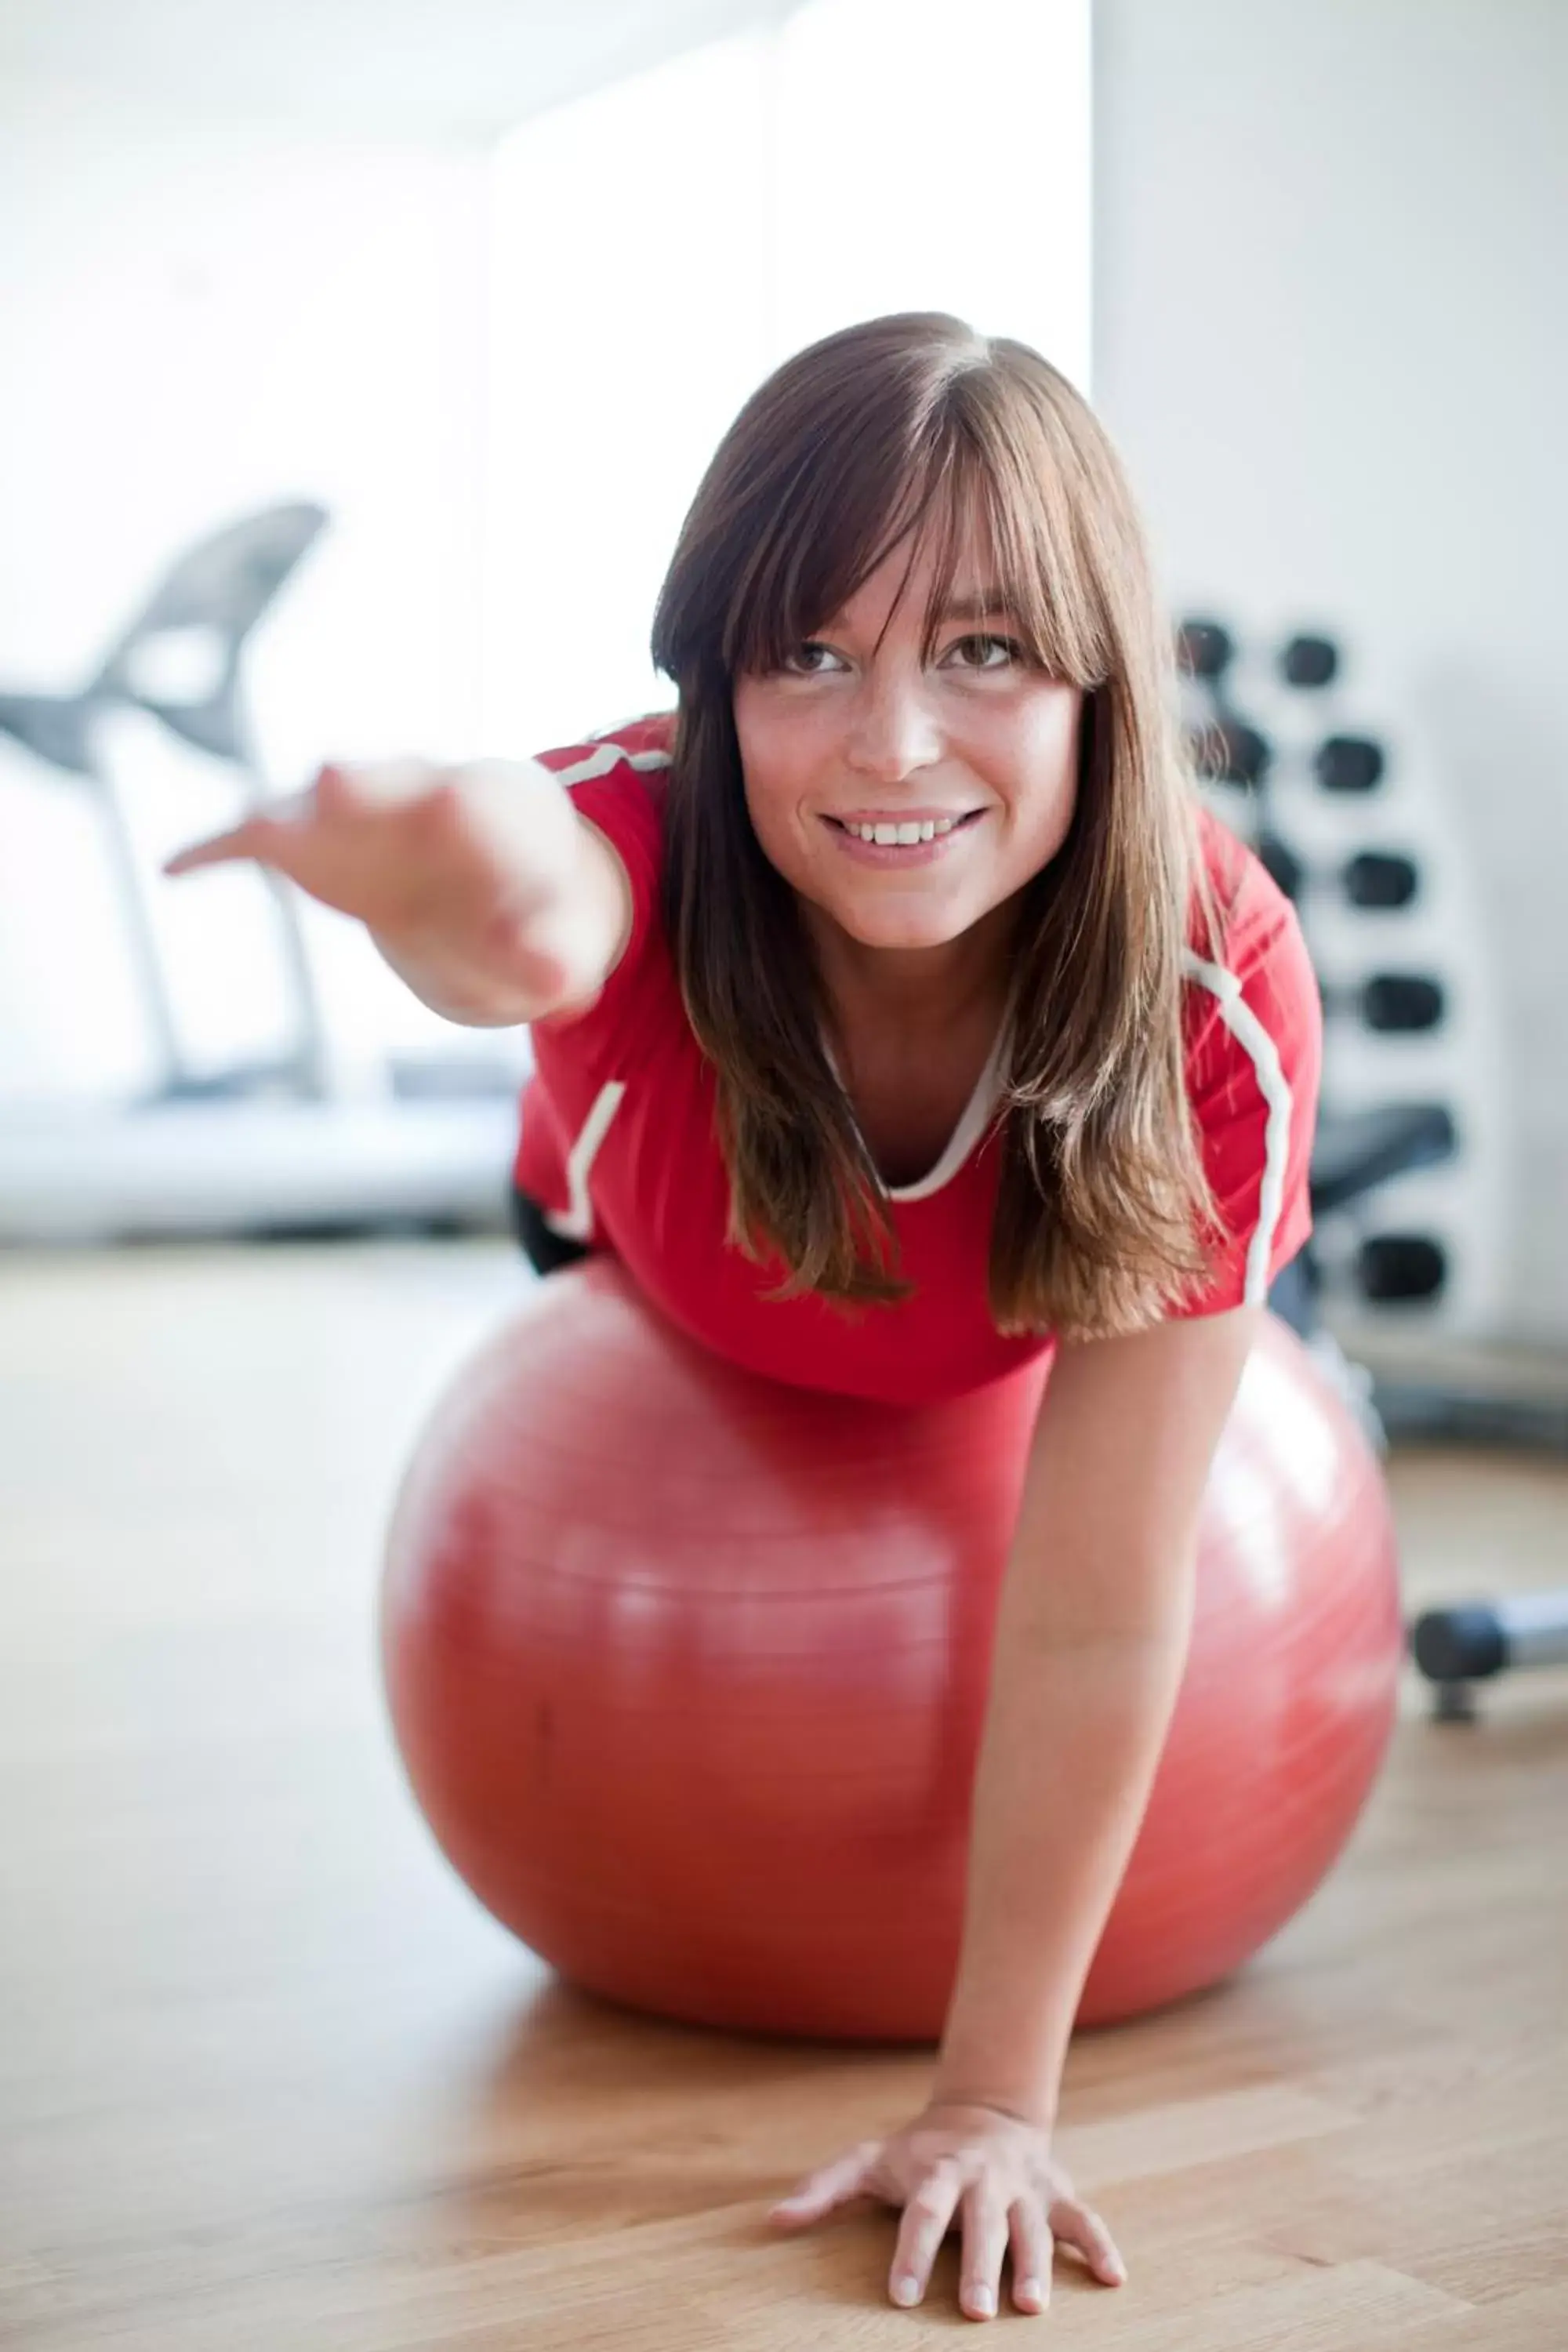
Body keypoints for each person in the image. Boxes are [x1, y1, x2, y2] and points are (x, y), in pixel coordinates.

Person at [167, 312, 1322, 2324]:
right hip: (646, 1264)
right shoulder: (631, 827)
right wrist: (449, 886)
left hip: (1009, 1324)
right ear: (711, 684)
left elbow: (1101, 1593)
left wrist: (992, 2102)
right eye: (807, 653)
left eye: (980, 651)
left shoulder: (1213, 987)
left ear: (1102, 680)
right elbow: (533, 900)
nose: (888, 744)